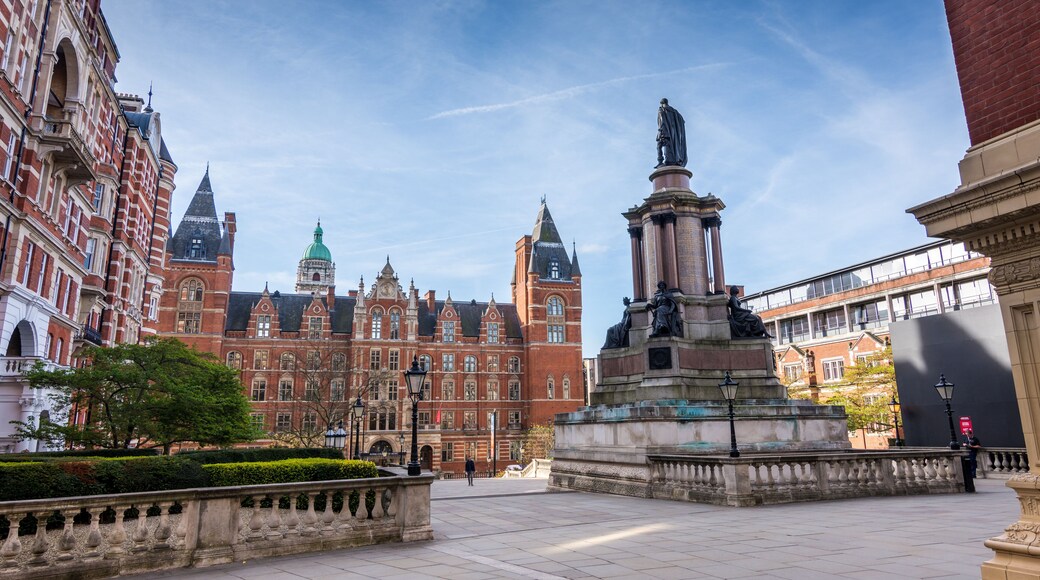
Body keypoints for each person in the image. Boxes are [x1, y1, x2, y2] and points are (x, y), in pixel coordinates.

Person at [656, 98, 687, 168]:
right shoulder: (674, 111)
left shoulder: (661, 110)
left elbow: (661, 121)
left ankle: (661, 161)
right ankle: (668, 160)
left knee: (659, 146)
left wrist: (661, 131)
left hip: (664, 131)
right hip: (673, 133)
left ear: (661, 103)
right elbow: (682, 120)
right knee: (670, 146)